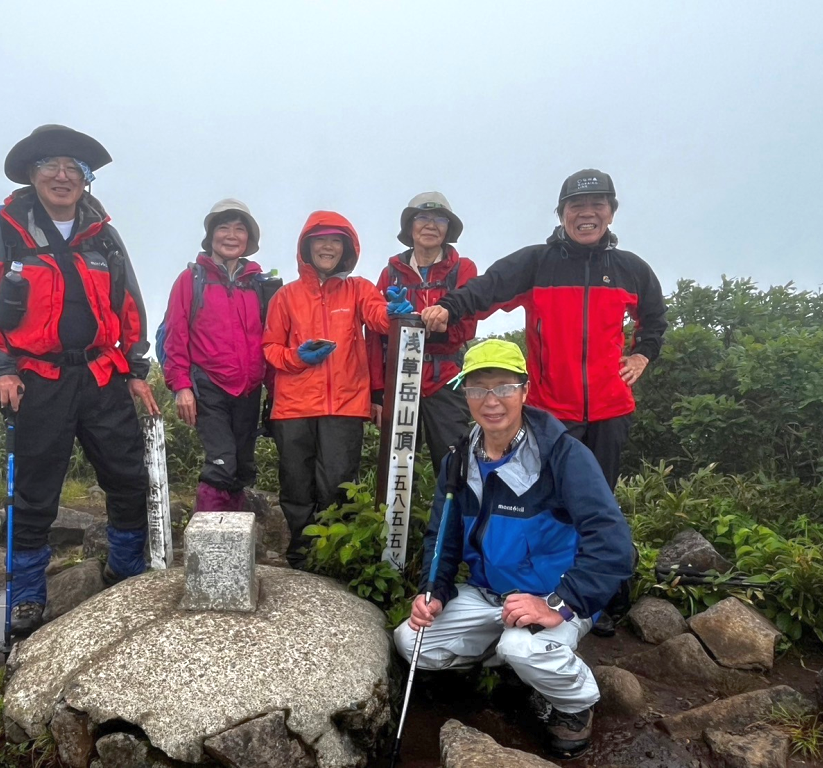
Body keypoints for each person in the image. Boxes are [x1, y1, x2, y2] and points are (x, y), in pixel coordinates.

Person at [393, 340, 634, 759]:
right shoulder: (459, 459)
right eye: (477, 388)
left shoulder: (562, 455)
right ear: (464, 393)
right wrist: (433, 590)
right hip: (489, 592)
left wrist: (559, 603)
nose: (491, 401)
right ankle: (511, 655)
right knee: (412, 642)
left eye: (503, 386)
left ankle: (575, 704)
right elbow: (442, 537)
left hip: (553, 597)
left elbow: (614, 545)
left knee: (521, 646)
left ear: (524, 390)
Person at [0, 125, 158, 635]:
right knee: (34, 490)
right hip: (36, 378)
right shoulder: (4, 229)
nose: (63, 176)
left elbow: (128, 303)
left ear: (86, 180)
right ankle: (28, 596)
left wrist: (136, 371)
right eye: (51, 166)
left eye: (74, 168)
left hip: (100, 373)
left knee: (128, 477)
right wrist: (0, 369)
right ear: (33, 174)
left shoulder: (103, 234)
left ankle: (126, 570)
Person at [421, 169, 666, 490]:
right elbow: (486, 288)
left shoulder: (630, 269)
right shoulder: (537, 263)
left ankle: (593, 544)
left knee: (598, 497)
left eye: (597, 204)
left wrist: (642, 356)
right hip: (551, 412)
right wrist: (448, 307)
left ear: (611, 212)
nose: (587, 213)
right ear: (562, 213)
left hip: (611, 411)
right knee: (548, 499)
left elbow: (655, 317)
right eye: (576, 205)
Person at [263, 211, 411, 568]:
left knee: (338, 487)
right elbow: (269, 348)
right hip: (293, 408)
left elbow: (377, 317)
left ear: (346, 249)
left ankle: (332, 561)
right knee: (297, 488)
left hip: (344, 407)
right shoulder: (285, 296)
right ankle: (301, 556)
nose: (327, 247)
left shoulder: (358, 289)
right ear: (307, 247)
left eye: (335, 241)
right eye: (320, 240)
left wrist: (393, 311)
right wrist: (297, 357)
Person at [161, 199, 269, 511]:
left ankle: (232, 532)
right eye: (224, 227)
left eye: (240, 229)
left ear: (249, 239)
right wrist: (181, 386)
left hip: (249, 388)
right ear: (211, 236)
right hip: (208, 385)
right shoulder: (192, 280)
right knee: (222, 461)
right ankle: (207, 533)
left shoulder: (258, 284)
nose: (232, 235)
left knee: (243, 464)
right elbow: (175, 336)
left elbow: (271, 339)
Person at [367, 192, 479, 474]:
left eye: (440, 219)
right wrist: (378, 393)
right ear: (410, 227)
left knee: (456, 463)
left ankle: (454, 518)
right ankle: (393, 520)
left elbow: (467, 325)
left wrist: (418, 327)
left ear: (448, 228)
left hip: (447, 380)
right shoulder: (390, 272)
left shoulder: (462, 269)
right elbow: (376, 334)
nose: (431, 225)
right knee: (397, 467)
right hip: (401, 379)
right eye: (422, 217)